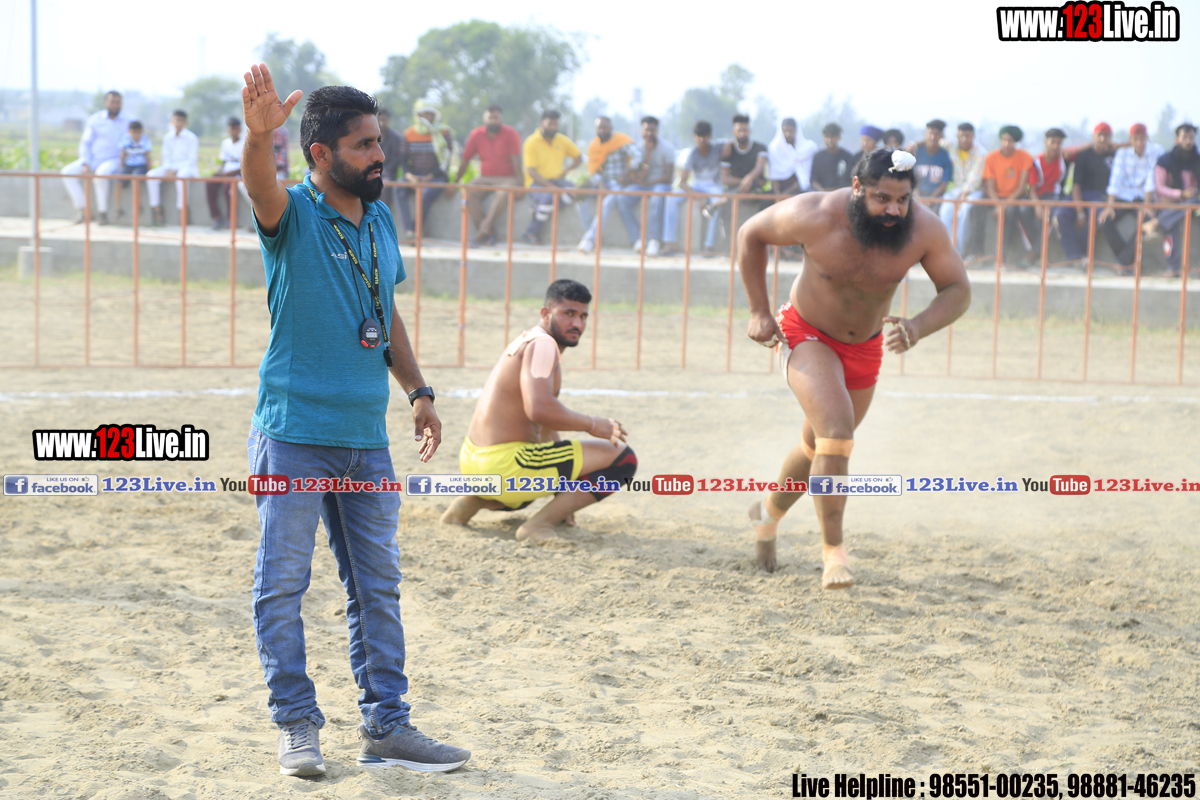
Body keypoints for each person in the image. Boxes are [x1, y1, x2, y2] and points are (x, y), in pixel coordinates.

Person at [239, 63, 469, 777]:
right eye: (364, 144)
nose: (379, 154)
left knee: (377, 588)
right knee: (282, 585)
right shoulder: (293, 214)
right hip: (293, 435)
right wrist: (259, 138)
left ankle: (387, 726)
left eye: (378, 140)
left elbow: (383, 310)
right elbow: (259, 186)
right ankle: (297, 725)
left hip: (365, 441)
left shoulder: (379, 220)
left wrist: (418, 390)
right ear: (321, 154)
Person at [739, 148, 970, 586]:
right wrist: (758, 311)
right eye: (883, 198)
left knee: (819, 446)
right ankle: (835, 554)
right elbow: (750, 234)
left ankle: (765, 515)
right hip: (805, 334)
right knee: (837, 433)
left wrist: (918, 326)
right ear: (858, 187)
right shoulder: (815, 213)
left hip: (864, 348)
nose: (894, 210)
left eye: (902, 200)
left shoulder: (923, 229)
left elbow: (958, 288)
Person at [441, 279, 637, 542]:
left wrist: (564, 497)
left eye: (583, 316)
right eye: (568, 313)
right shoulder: (544, 345)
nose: (577, 324)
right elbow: (539, 409)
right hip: (505, 466)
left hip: (474, 461)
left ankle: (471, 502)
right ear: (546, 313)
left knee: (538, 471)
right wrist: (592, 424)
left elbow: (545, 426)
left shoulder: (528, 339)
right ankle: (538, 526)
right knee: (624, 460)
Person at [453, 104, 523, 247]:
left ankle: (481, 233)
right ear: (485, 118)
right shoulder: (476, 134)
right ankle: (488, 231)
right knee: (468, 190)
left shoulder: (511, 133)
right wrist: (455, 183)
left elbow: (517, 161)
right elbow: (466, 160)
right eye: (490, 117)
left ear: (501, 118)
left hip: (507, 178)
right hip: (485, 178)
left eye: (496, 117)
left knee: (503, 194)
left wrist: (521, 185)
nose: (493, 120)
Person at [1100, 123, 1164, 274]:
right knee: (1105, 221)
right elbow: (1115, 180)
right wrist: (1109, 206)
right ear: (1130, 140)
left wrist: (1147, 205)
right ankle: (1126, 261)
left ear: (1147, 138)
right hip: (1124, 197)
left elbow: (1151, 179)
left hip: (1144, 199)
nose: (1140, 143)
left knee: (1147, 222)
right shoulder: (1122, 153)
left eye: (1142, 139)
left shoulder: (1155, 150)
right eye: (1136, 139)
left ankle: (1122, 263)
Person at [61, 90, 129, 225]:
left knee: (101, 175)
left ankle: (102, 213)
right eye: (112, 102)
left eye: (118, 102)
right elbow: (85, 143)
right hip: (93, 158)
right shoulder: (95, 120)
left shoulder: (129, 120)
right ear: (106, 103)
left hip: (114, 160)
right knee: (67, 173)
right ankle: (83, 210)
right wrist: (86, 162)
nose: (115, 105)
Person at [973, 125, 1036, 265]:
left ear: (1015, 142)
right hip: (994, 196)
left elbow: (1021, 187)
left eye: (1010, 140)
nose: (1007, 143)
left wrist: (1004, 205)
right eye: (1004, 140)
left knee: (1010, 213)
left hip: (1014, 196)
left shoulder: (1025, 157)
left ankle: (1002, 257)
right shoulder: (991, 157)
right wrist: (998, 204)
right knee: (977, 209)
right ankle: (977, 254)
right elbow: (990, 186)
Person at [1055, 122, 1116, 266]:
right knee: (1060, 215)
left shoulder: (1114, 154)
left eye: (1106, 135)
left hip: (1100, 197)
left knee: (1096, 218)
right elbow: (1076, 185)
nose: (1103, 138)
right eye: (1099, 135)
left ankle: (1084, 256)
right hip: (1079, 195)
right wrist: (1080, 213)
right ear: (1094, 137)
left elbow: (1133, 144)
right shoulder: (1084, 155)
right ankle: (1074, 256)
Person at [578, 115, 641, 254]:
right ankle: (591, 232)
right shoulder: (594, 145)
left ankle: (589, 240)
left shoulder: (621, 141)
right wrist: (600, 183)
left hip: (618, 183)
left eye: (605, 128)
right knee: (580, 195)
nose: (602, 130)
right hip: (601, 182)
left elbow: (638, 156)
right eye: (599, 128)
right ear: (596, 129)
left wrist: (627, 172)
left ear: (611, 128)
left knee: (607, 202)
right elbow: (593, 169)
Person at [663, 120, 725, 257]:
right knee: (671, 199)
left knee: (717, 203)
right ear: (694, 137)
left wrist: (728, 149)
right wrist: (698, 196)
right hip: (697, 186)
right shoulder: (692, 154)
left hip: (715, 187)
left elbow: (732, 142)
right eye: (698, 136)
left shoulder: (718, 148)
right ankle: (670, 242)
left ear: (709, 136)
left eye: (704, 136)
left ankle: (709, 246)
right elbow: (682, 182)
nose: (701, 139)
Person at [522, 109, 582, 244]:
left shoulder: (562, 140)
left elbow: (579, 158)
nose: (553, 127)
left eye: (555, 124)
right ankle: (531, 233)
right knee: (548, 198)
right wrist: (551, 187)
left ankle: (539, 210)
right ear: (541, 123)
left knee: (576, 191)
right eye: (550, 124)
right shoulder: (531, 142)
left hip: (557, 180)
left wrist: (566, 171)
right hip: (535, 183)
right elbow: (531, 172)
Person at [398, 101, 456, 240]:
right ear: (418, 115)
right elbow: (403, 159)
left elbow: (446, 160)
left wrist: (429, 176)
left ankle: (415, 230)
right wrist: (409, 175)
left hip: (437, 176)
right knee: (399, 188)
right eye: (424, 113)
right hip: (415, 175)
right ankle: (408, 229)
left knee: (426, 193)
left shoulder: (443, 132)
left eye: (430, 114)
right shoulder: (409, 134)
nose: (427, 117)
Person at [620, 116, 675, 255]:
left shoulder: (667, 148)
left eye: (652, 130)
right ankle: (638, 239)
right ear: (641, 131)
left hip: (660, 184)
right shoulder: (638, 149)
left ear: (657, 131)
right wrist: (648, 154)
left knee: (658, 197)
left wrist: (648, 183)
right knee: (622, 198)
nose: (649, 133)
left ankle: (654, 240)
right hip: (643, 185)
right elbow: (641, 177)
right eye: (646, 130)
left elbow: (668, 177)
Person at [1152, 122, 1200, 277]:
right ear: (1176, 139)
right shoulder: (1165, 160)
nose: (1188, 141)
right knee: (1171, 223)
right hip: (1171, 204)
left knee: (1195, 202)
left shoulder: (1197, 160)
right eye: (1184, 137)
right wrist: (1180, 194)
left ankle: (1156, 222)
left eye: (1191, 138)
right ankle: (1173, 269)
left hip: (1195, 207)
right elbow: (1159, 187)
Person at [719, 114, 770, 247]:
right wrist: (744, 181)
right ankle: (730, 247)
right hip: (735, 193)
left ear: (750, 131)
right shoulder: (728, 152)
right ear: (734, 132)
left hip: (756, 191)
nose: (742, 134)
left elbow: (760, 167)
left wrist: (749, 178)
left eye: (745, 130)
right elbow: (725, 179)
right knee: (726, 210)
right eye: (739, 131)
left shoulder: (760, 148)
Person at [938, 122, 988, 254]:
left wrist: (962, 197)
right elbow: (936, 141)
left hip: (974, 191)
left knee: (964, 211)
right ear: (957, 136)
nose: (964, 139)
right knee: (946, 210)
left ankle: (959, 251)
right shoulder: (952, 146)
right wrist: (914, 145)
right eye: (962, 136)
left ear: (973, 136)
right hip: (956, 189)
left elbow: (975, 178)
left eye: (968, 136)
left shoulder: (981, 153)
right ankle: (945, 248)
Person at [147, 109, 200, 226]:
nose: (179, 123)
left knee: (182, 177)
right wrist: (168, 169)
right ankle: (156, 210)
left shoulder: (191, 137)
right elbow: (166, 156)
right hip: (170, 167)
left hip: (187, 168)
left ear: (185, 122)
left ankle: (183, 212)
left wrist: (175, 170)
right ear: (172, 121)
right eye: (177, 120)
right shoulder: (167, 137)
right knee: (151, 175)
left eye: (181, 121)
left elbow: (191, 159)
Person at [1022, 128, 1067, 264]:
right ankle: (1037, 250)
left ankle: (1034, 253)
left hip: (1052, 196)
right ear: (1045, 143)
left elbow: (1078, 149)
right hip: (1036, 195)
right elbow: (1032, 189)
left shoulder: (1063, 159)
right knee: (1022, 211)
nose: (1055, 146)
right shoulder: (1037, 162)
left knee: (1050, 213)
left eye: (1059, 143)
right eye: (1052, 142)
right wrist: (1037, 206)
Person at [206, 117, 245, 230]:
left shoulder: (245, 142)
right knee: (210, 183)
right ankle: (216, 217)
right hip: (226, 171)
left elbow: (245, 164)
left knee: (228, 187)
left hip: (238, 172)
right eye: (232, 129)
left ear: (240, 129)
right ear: (228, 129)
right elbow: (224, 162)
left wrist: (231, 173)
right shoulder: (225, 143)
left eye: (236, 129)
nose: (234, 131)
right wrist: (219, 172)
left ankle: (231, 219)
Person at [112, 120, 152, 220]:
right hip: (128, 164)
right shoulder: (125, 139)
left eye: (138, 132)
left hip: (140, 165)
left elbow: (147, 156)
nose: (136, 135)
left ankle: (137, 206)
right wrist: (121, 168)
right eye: (134, 132)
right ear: (129, 131)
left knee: (135, 180)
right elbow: (122, 154)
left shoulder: (145, 140)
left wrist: (149, 170)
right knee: (118, 181)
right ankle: (118, 208)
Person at [767, 118, 818, 196]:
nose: (788, 134)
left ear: (796, 131)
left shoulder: (806, 149)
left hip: (798, 191)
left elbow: (803, 176)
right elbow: (774, 176)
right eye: (785, 131)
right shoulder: (774, 149)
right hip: (779, 191)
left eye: (791, 131)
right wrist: (778, 195)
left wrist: (785, 194)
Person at [913, 119, 952, 201]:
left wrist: (930, 200)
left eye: (937, 134)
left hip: (936, 198)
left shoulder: (945, 156)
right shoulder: (916, 153)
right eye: (930, 133)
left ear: (942, 136)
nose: (933, 137)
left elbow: (944, 183)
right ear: (926, 134)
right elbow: (911, 180)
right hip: (916, 196)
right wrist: (919, 198)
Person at [809, 123, 854, 192]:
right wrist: (822, 191)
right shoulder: (818, 157)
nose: (829, 140)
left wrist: (835, 192)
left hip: (842, 194)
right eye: (826, 136)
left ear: (839, 137)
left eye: (832, 136)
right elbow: (813, 180)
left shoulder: (847, 157)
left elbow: (850, 180)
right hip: (821, 194)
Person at [377, 109, 404, 217]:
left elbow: (396, 160)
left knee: (385, 186)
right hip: (372, 171)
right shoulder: (371, 137)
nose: (382, 123)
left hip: (389, 174)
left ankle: (382, 217)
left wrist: (382, 173)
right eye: (379, 120)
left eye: (384, 120)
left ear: (389, 121)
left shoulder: (396, 138)